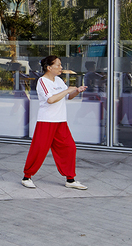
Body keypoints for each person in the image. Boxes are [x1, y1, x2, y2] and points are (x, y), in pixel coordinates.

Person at [21, 55, 88, 190]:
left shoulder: (58, 80)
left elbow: (68, 97)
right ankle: (27, 177)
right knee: (39, 150)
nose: (61, 67)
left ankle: (70, 179)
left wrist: (76, 91)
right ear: (49, 67)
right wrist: (67, 90)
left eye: (60, 65)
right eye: (58, 65)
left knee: (70, 148)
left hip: (61, 121)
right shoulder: (42, 81)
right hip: (46, 121)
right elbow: (50, 100)